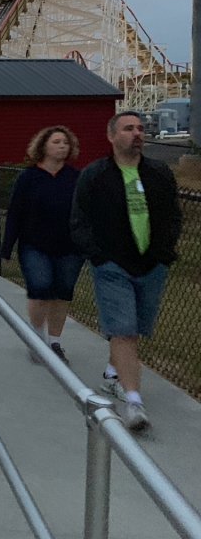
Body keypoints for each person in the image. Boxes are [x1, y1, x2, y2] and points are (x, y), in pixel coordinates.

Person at [70, 110, 182, 432]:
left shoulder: (159, 173)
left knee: (136, 328)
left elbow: (174, 216)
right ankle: (134, 402)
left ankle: (112, 373)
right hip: (112, 266)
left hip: (151, 265)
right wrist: (98, 257)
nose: (137, 133)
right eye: (128, 128)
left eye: (140, 129)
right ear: (112, 136)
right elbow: (79, 220)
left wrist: (164, 255)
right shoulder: (96, 175)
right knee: (124, 331)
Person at [0, 126, 84, 366]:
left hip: (69, 247)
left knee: (61, 293)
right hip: (34, 244)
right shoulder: (28, 178)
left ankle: (54, 342)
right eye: (56, 141)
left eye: (65, 143)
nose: (61, 146)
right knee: (40, 288)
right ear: (43, 146)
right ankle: (37, 341)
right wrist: (7, 246)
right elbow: (15, 213)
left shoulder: (75, 178)